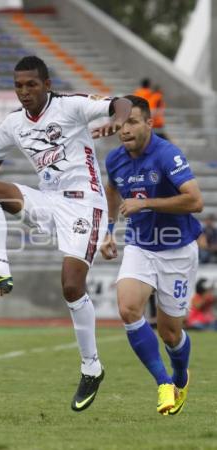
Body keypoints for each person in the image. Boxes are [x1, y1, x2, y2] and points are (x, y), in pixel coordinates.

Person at [0, 55, 132, 412]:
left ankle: (91, 367)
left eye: (31, 85)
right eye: (18, 85)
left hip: (86, 205)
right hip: (47, 200)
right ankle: (0, 269)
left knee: (71, 286)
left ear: (47, 84)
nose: (24, 92)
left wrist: (117, 121)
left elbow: (123, 102)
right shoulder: (13, 124)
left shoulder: (71, 107)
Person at [98, 95, 203, 416]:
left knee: (170, 334)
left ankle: (181, 376)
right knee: (128, 309)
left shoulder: (167, 155)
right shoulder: (115, 160)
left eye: (132, 122)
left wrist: (146, 204)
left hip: (177, 251)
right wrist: (109, 230)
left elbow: (195, 201)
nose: (124, 129)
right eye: (120, 123)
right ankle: (163, 383)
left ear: (149, 123)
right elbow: (113, 189)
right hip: (141, 246)